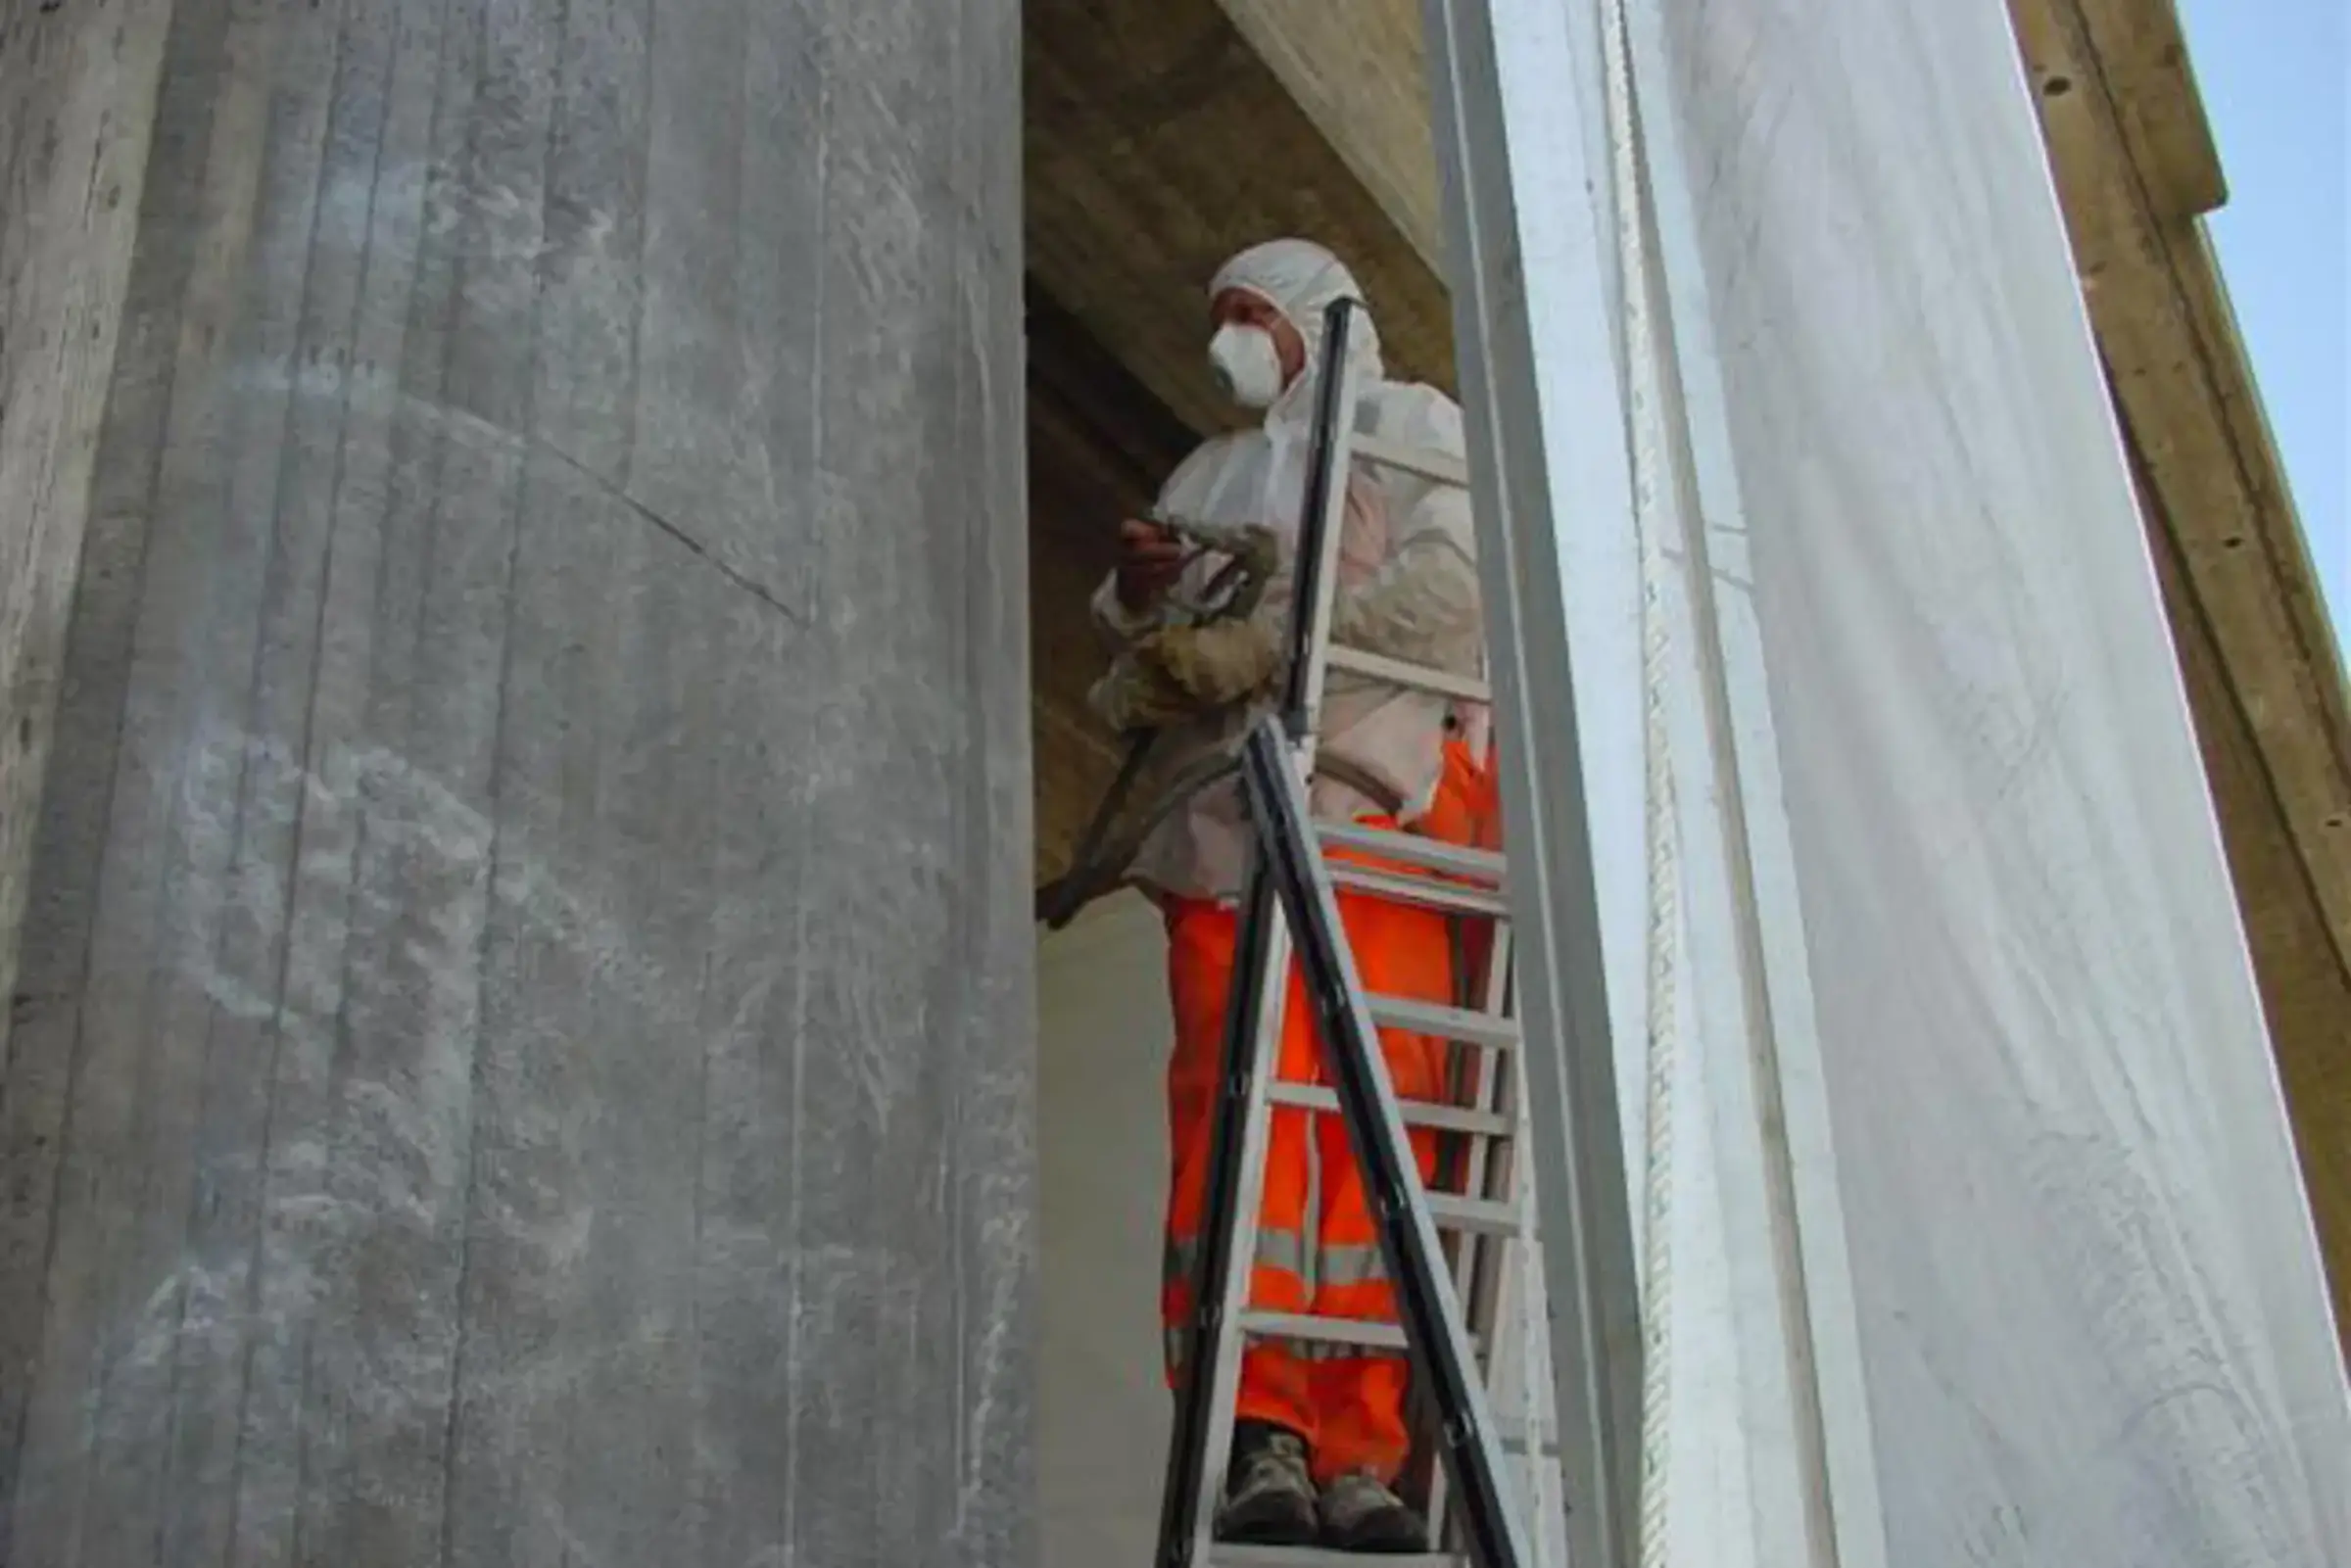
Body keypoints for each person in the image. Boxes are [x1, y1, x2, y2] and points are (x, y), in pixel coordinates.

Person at [1087, 239, 1484, 1552]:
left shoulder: (1409, 426)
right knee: (1236, 1129)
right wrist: (1143, 596)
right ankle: (1253, 1420)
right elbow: (1150, 642)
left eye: (1253, 314)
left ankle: (1361, 1440)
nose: (1231, 339)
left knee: (1370, 1135)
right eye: (1222, 316)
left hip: (1367, 815)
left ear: (1317, 316)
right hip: (1219, 839)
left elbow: (1453, 596)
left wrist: (1281, 643)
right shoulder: (1212, 471)